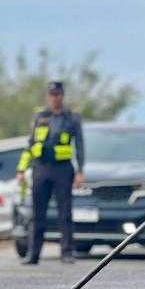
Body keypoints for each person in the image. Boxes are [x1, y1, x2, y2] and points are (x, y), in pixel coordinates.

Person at [16, 81, 85, 265]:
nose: (55, 97)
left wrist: (80, 171)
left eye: (58, 94)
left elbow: (79, 147)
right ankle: (33, 254)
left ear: (62, 96)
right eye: (52, 94)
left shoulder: (72, 118)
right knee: (37, 214)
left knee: (65, 213)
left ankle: (67, 252)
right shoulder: (40, 117)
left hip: (62, 169)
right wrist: (21, 169)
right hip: (41, 168)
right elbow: (30, 144)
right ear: (48, 97)